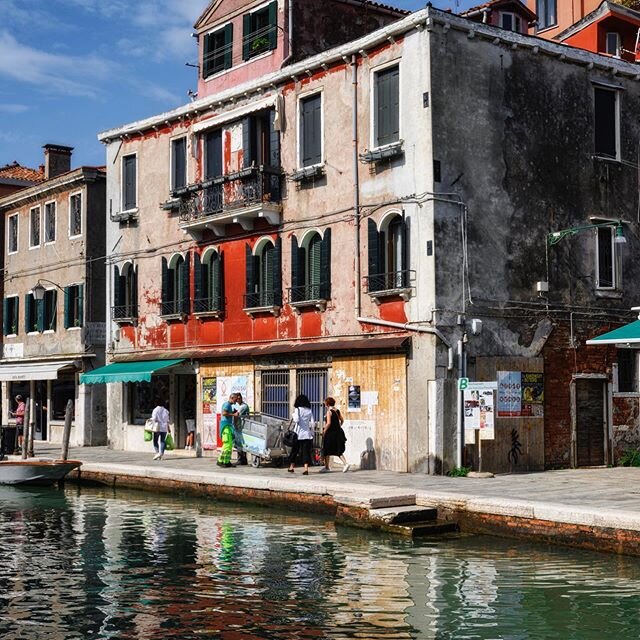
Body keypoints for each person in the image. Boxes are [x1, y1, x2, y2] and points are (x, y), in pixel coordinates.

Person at [287, 394, 315, 475]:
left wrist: (293, 414)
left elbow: (296, 420)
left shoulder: (297, 409)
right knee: (305, 452)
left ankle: (291, 467)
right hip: (307, 434)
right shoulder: (309, 410)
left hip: (298, 434)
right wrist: (312, 433)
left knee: (294, 451)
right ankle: (306, 469)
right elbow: (312, 423)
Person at [320, 397, 349, 473]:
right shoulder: (337, 411)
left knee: (326, 448)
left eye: (325, 403)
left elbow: (328, 423)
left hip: (330, 433)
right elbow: (342, 420)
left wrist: (324, 431)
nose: (324, 404)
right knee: (337, 449)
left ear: (327, 404)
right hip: (338, 432)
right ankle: (345, 463)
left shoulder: (329, 412)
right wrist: (338, 426)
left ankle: (327, 467)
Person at [218, 393, 238, 468]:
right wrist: (234, 415)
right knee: (227, 444)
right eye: (235, 399)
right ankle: (220, 461)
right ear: (232, 398)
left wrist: (232, 412)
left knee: (229, 445)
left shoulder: (229, 405)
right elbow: (224, 413)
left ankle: (226, 461)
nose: (236, 401)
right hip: (225, 426)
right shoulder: (227, 404)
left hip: (228, 425)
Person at [233, 393, 250, 465]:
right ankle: (242, 459)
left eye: (239, 398)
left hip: (242, 427)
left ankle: (241, 459)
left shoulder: (244, 406)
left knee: (240, 443)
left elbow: (237, 414)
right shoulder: (237, 405)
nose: (238, 400)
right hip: (237, 426)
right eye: (237, 399)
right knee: (238, 443)